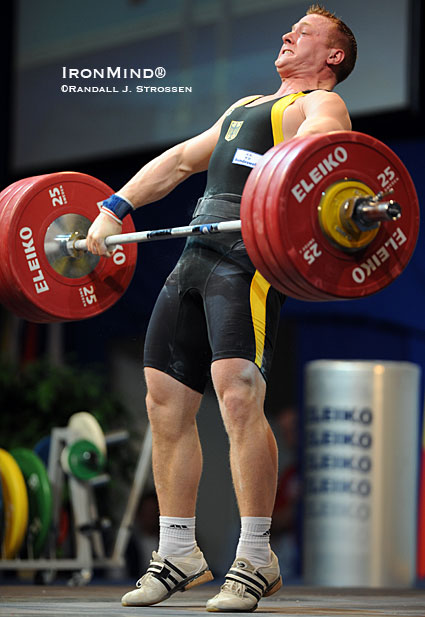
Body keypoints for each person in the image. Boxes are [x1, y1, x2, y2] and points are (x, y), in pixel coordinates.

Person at [86, 4, 356, 612]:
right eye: (290, 29)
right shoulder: (243, 108)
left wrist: (285, 172)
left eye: (305, 33)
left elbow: (320, 147)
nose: (288, 36)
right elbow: (181, 161)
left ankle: (256, 556)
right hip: (196, 253)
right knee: (163, 400)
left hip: (249, 257)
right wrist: (113, 207)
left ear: (333, 57)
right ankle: (179, 551)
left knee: (236, 391)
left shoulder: (318, 105)